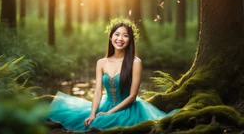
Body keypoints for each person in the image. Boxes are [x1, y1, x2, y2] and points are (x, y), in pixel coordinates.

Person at [48, 17, 179, 132]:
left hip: (128, 109)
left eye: (125, 35)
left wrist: (109, 113)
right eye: (117, 34)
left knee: (103, 123)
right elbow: (98, 91)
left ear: (131, 39)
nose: (120, 39)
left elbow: (133, 96)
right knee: (90, 121)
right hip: (106, 103)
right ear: (111, 37)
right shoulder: (101, 62)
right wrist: (93, 113)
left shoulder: (135, 62)